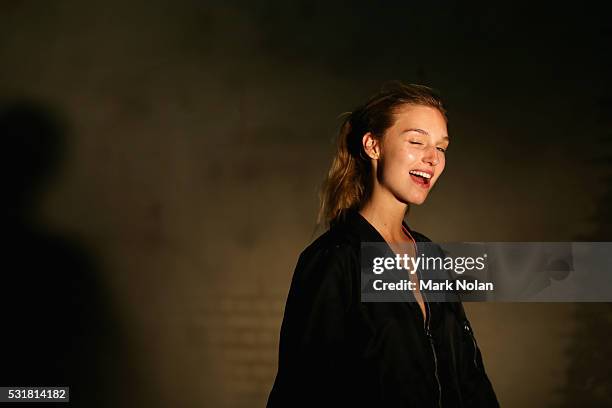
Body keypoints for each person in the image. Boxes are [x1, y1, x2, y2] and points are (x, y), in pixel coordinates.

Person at [267, 82, 499, 407]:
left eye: (442, 147)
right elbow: (302, 391)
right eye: (417, 141)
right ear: (373, 146)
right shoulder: (335, 259)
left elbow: (471, 381)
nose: (432, 159)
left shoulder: (431, 257)